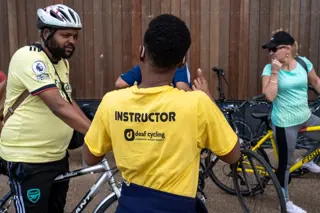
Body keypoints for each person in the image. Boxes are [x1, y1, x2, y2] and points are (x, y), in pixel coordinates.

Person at [83, 14, 240, 213]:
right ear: (182, 61)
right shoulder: (198, 104)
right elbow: (233, 154)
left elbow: (90, 157)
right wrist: (209, 100)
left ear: (142, 52)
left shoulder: (111, 102)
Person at [0, 4, 91, 213]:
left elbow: (67, 100)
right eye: (65, 35)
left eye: (75, 36)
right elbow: (57, 106)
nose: (72, 41)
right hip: (28, 159)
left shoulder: (61, 63)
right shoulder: (29, 58)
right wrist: (95, 132)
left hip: (56, 155)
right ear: (47, 33)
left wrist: (93, 127)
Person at [261, 31, 320, 213]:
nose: (270, 53)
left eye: (273, 49)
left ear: (287, 49)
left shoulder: (303, 62)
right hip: (284, 122)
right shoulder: (269, 69)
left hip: (305, 116)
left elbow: (316, 81)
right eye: (269, 50)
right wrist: (276, 72)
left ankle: (307, 160)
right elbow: (269, 95)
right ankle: (284, 201)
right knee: (285, 165)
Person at [115, 62, 192, 91]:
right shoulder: (145, 65)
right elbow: (119, 83)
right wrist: (200, 94)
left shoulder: (145, 64)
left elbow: (181, 87)